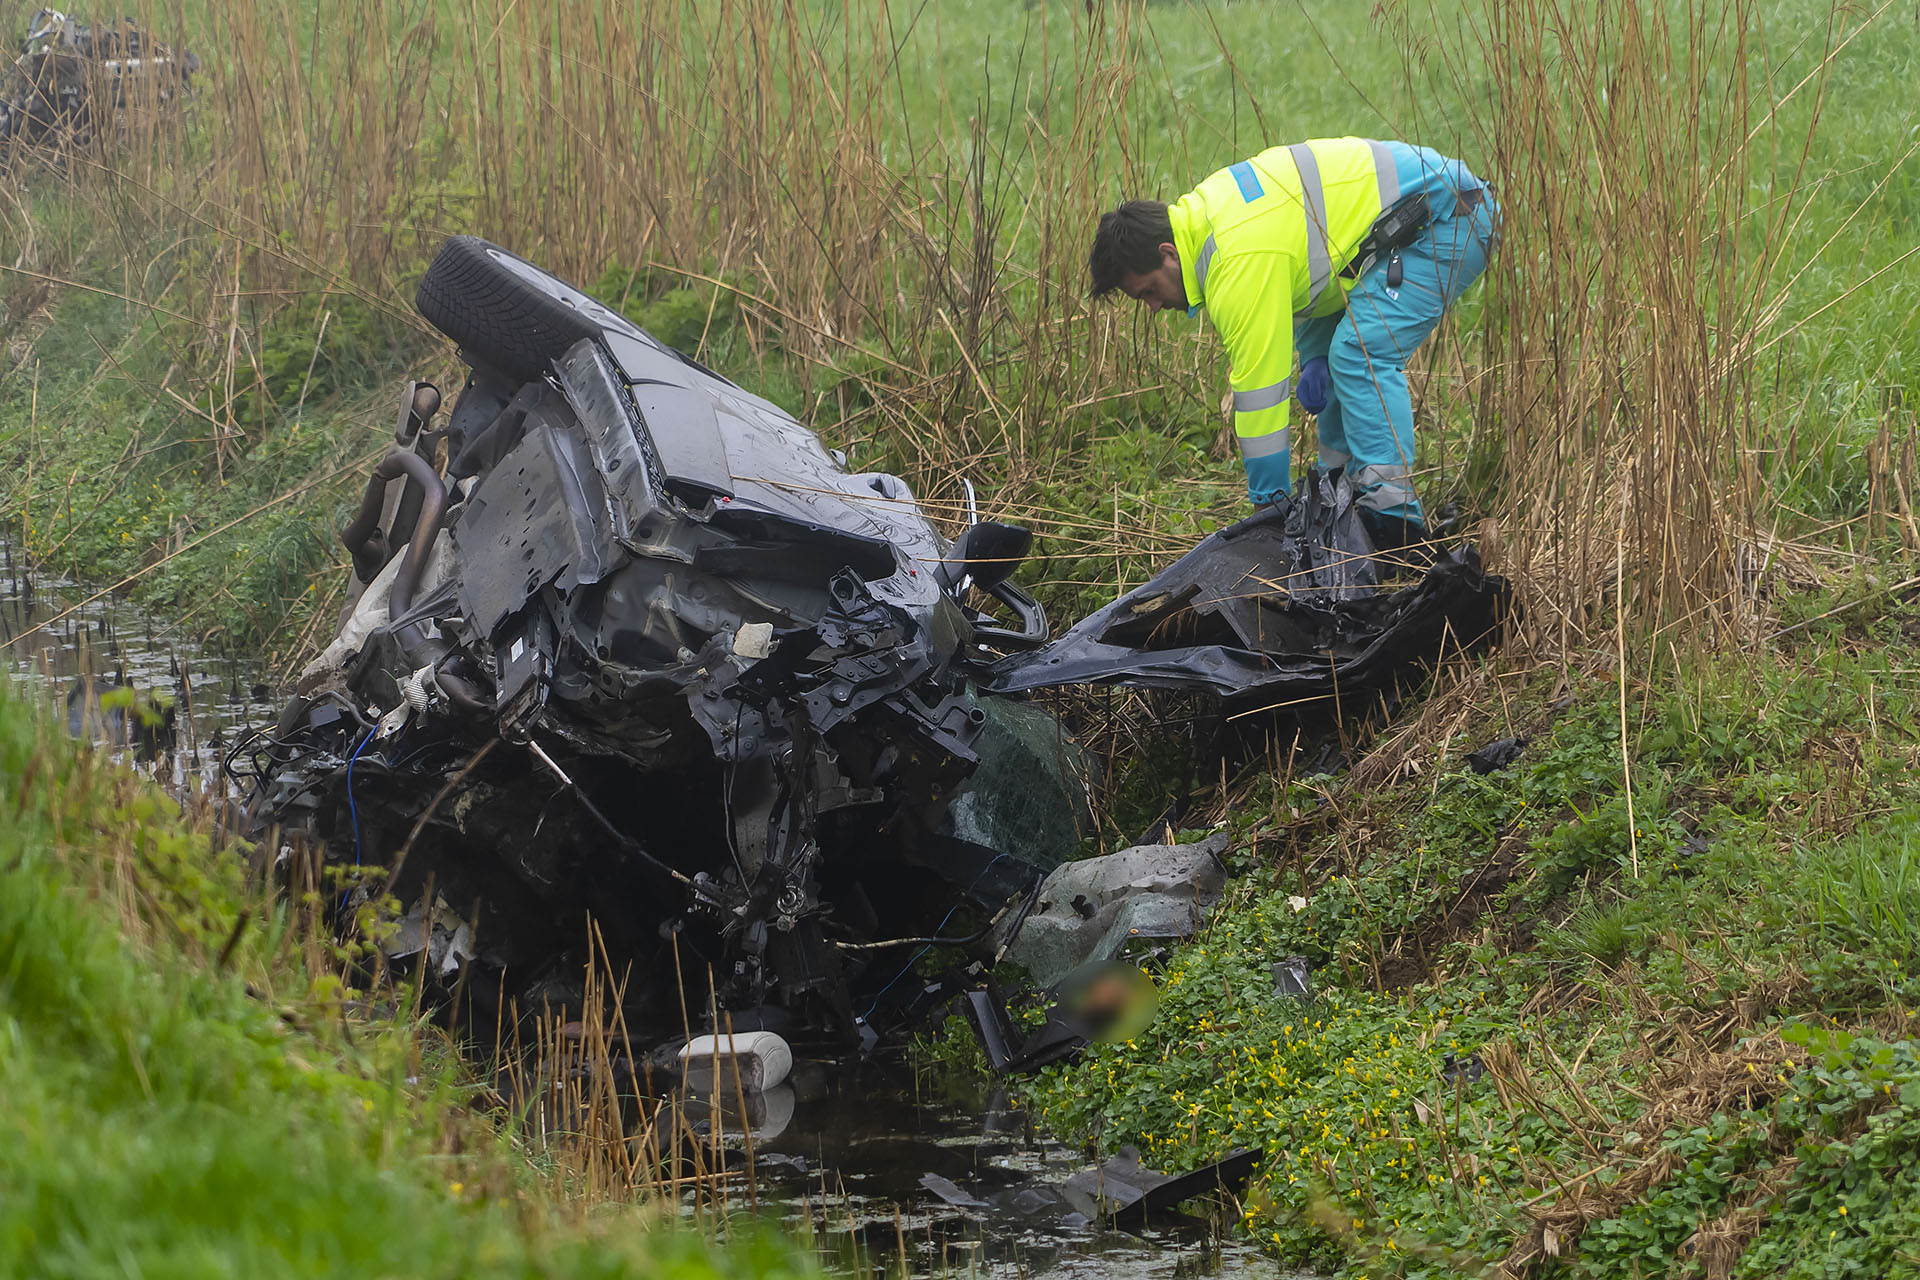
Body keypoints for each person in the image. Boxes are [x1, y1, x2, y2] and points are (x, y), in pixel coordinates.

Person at [1088, 138, 1498, 546]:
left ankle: (1393, 520)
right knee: (1341, 356)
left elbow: (1260, 395)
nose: (1155, 306)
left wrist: (1268, 513)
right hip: (1420, 220)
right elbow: (1313, 268)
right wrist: (1317, 353)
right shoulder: (1206, 218)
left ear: (1168, 255)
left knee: (1359, 353)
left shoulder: (1233, 262)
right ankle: (1342, 496)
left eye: (1148, 291)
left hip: (1449, 217)